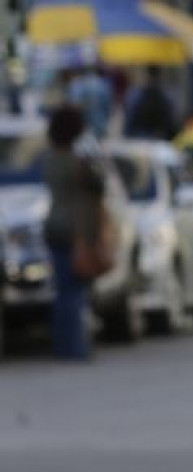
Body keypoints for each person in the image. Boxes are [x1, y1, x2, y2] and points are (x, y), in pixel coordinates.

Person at [41, 105, 106, 362]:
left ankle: (63, 343)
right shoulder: (77, 162)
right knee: (74, 291)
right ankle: (74, 346)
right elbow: (97, 187)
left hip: (54, 225)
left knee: (64, 288)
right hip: (75, 229)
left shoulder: (49, 160)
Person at [124, 68, 178, 141]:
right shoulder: (165, 95)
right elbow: (169, 120)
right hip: (158, 135)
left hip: (140, 135)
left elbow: (131, 117)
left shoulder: (137, 94)